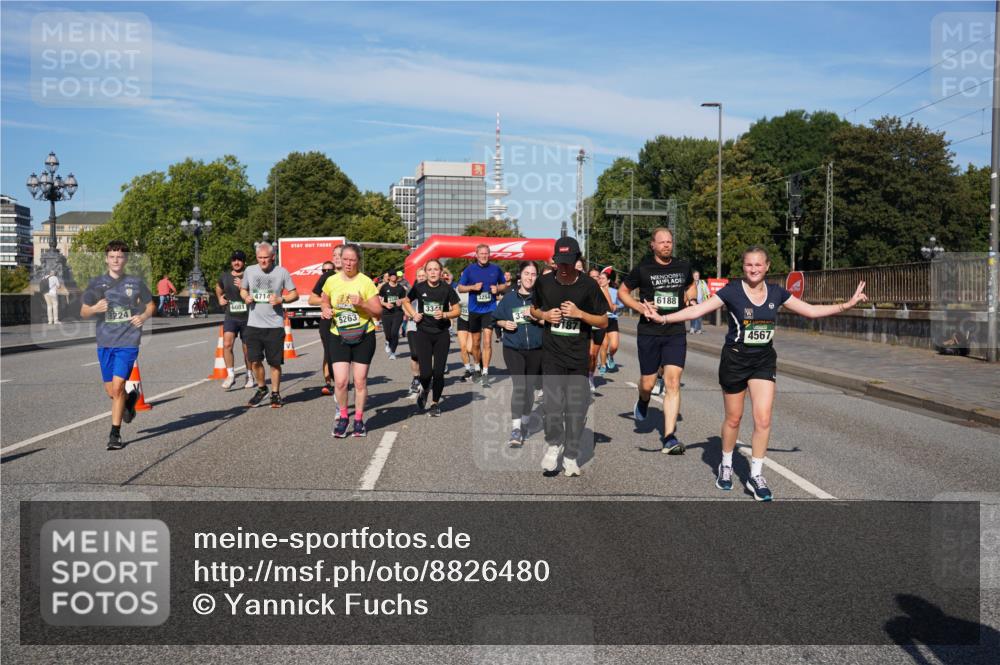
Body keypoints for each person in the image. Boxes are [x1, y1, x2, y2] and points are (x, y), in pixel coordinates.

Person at [657, 245, 867, 501]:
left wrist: (846, 305)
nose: (753, 269)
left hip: (763, 361)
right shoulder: (732, 291)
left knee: (763, 419)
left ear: (767, 266)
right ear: (743, 267)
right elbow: (698, 310)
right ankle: (725, 463)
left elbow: (811, 311)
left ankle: (756, 475)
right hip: (735, 360)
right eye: (749, 265)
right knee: (734, 419)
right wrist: (665, 319)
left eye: (758, 264)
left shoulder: (777, 293)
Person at [530, 237, 608, 477]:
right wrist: (544, 315)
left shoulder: (588, 286)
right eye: (559, 262)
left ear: (577, 260)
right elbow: (533, 310)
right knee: (552, 407)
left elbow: (603, 320)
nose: (563, 268)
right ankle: (554, 444)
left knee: (576, 411)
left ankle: (571, 456)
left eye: (568, 262)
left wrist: (580, 313)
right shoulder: (543, 283)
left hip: (577, 358)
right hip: (552, 356)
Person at [618, 228, 696, 454]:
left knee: (673, 382)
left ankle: (669, 436)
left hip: (675, 331)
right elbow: (623, 291)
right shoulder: (643, 268)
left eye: (669, 242)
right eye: (661, 242)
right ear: (652, 245)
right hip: (649, 332)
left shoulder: (683, 266)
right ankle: (643, 400)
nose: (666, 245)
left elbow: (691, 285)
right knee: (648, 384)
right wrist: (640, 307)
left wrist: (690, 298)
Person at [80, 240, 155, 450]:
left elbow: (151, 305)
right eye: (112, 256)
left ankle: (115, 434)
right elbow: (83, 311)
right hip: (105, 342)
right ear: (106, 259)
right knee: (112, 392)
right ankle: (130, 402)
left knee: (118, 386)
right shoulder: (96, 284)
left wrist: (143, 316)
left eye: (120, 256)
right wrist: (94, 308)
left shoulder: (135, 282)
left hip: (128, 341)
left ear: (126, 259)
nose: (116, 260)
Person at [321, 244, 383, 437]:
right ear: (340, 259)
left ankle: (358, 419)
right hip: (338, 335)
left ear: (358, 261)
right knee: (340, 382)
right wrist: (325, 309)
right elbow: (324, 299)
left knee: (360, 381)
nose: (348, 263)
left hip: (364, 335)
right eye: (345, 259)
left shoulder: (365, 283)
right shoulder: (331, 281)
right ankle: (343, 417)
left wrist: (363, 303)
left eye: (352, 260)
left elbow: (378, 312)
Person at [239, 242, 298, 409]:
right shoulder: (250, 270)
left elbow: (294, 293)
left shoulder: (282, 272)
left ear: (273, 257)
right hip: (253, 324)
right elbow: (243, 289)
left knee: (274, 362)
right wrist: (245, 297)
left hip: (274, 325)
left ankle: (275, 393)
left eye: (266, 258)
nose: (263, 261)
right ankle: (261, 388)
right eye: (260, 258)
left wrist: (282, 299)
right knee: (254, 361)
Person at [402, 259, 461, 417]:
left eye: (436, 269)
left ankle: (435, 403)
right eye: (430, 270)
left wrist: (445, 314)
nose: (433, 272)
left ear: (441, 272)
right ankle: (424, 389)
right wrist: (413, 314)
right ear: (426, 272)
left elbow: (457, 310)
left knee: (439, 372)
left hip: (442, 334)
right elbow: (406, 301)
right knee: (426, 373)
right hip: (423, 334)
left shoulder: (447, 289)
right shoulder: (419, 287)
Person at [494, 261, 544, 447]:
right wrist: (504, 324)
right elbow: (496, 318)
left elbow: (550, 321)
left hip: (536, 349)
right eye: (526, 273)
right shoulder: (509, 298)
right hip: (513, 348)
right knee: (520, 386)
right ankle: (515, 429)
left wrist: (539, 319)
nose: (530, 277)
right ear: (520, 276)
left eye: (533, 274)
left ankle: (524, 422)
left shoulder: (541, 299)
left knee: (529, 388)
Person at [457, 244, 507, 387]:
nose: (484, 256)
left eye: (486, 253)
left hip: (489, 309)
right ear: (476, 255)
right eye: (481, 253)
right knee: (476, 342)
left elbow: (504, 285)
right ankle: (477, 367)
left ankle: (485, 372)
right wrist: (472, 287)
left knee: (487, 341)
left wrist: (497, 288)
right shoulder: (470, 270)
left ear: (489, 254)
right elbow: (460, 287)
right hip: (474, 310)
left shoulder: (495, 269)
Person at [215, 250, 254, 390]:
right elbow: (218, 288)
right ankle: (230, 375)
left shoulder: (250, 275)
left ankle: (249, 375)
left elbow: (258, 292)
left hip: (248, 317)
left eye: (239, 260)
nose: (236, 262)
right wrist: (220, 298)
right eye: (234, 260)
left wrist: (244, 286)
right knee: (227, 344)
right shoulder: (225, 276)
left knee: (247, 349)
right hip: (231, 316)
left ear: (244, 262)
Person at [308, 260, 338, 395]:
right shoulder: (324, 279)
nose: (326, 273)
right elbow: (311, 300)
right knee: (328, 351)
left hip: (343, 321)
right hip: (327, 320)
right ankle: (328, 383)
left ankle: (340, 379)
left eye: (329, 270)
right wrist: (327, 301)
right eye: (323, 271)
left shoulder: (346, 277)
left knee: (342, 352)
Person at [405, 267, 427, 396]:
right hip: (413, 325)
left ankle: (425, 377)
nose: (422, 277)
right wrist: (413, 315)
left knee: (425, 353)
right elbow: (404, 304)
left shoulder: (432, 289)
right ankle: (416, 378)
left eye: (424, 275)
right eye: (419, 275)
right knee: (415, 354)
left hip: (428, 326)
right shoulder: (411, 290)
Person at [597, 267, 621, 372]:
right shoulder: (595, 291)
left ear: (608, 280)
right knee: (604, 344)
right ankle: (602, 365)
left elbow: (622, 304)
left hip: (612, 320)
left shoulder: (614, 292)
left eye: (602, 278)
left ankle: (610, 356)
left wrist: (616, 306)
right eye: (599, 278)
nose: (600, 280)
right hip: (601, 320)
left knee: (614, 345)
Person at [379, 271, 407, 359]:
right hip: (386, 313)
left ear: (397, 277)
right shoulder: (384, 287)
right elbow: (379, 300)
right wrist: (386, 304)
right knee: (388, 334)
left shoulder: (401, 288)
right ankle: (387, 341)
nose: (393, 277)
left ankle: (393, 352)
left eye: (395, 276)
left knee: (394, 333)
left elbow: (404, 299)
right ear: (389, 277)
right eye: (392, 276)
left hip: (397, 313)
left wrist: (401, 301)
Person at [689, 270, 709, 334]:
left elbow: (707, 291)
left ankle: (699, 329)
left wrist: (707, 300)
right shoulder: (690, 283)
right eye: (695, 276)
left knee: (699, 317)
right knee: (692, 316)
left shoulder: (702, 282)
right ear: (693, 276)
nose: (697, 277)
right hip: (692, 302)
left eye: (698, 275)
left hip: (701, 302)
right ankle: (692, 328)